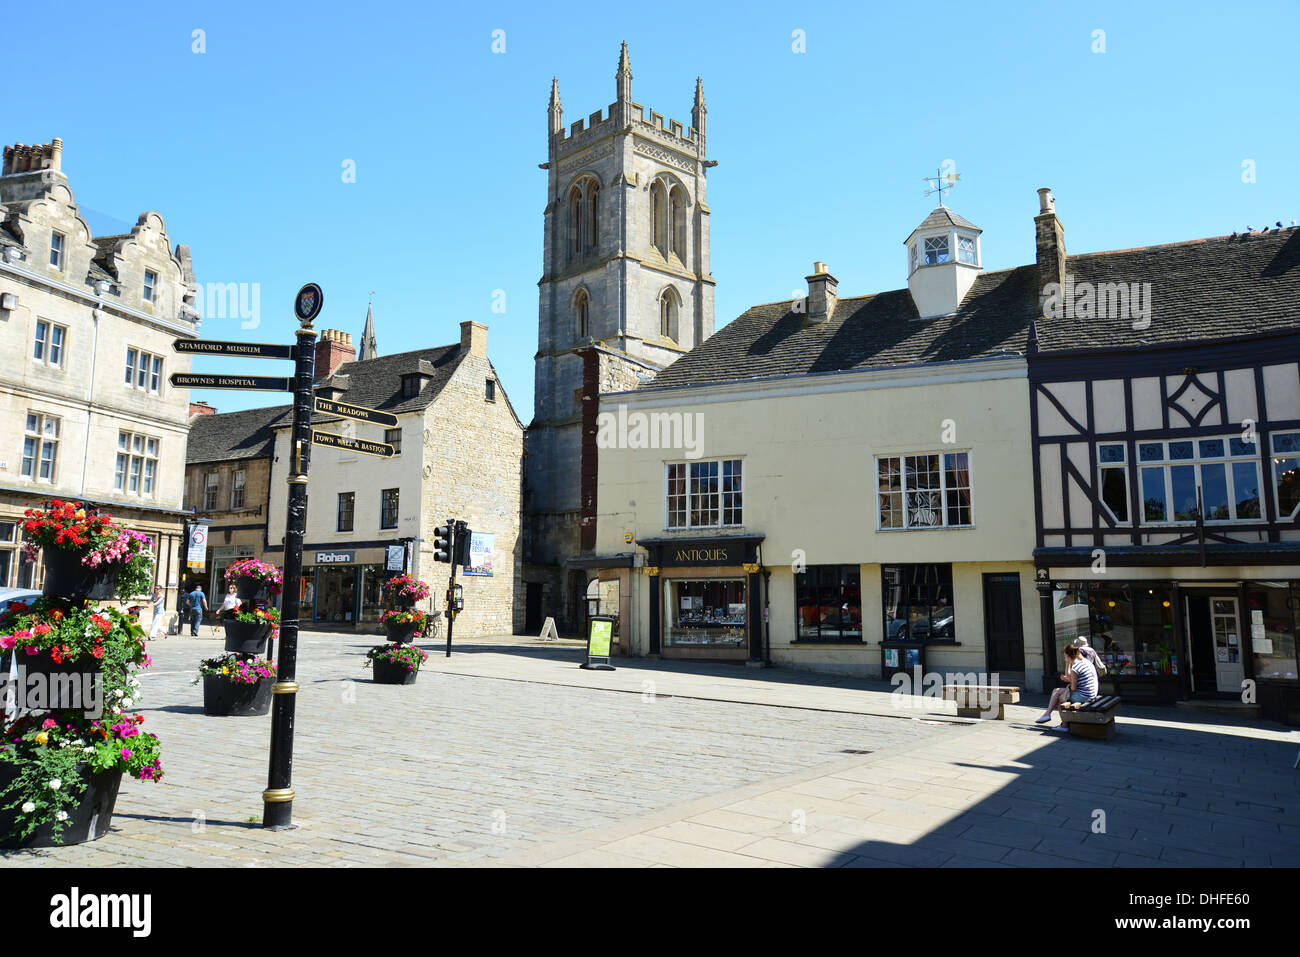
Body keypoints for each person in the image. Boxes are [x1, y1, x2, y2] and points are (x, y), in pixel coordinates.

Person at [1036, 644, 1099, 729]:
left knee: (1060, 697)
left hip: (1085, 696)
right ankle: (1048, 714)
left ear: (1069, 656)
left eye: (1065, 656)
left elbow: (1073, 688)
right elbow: (1072, 677)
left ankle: (1063, 725)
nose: (1065, 658)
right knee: (1056, 690)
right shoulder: (1085, 662)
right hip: (1091, 693)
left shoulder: (1076, 667)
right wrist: (1068, 666)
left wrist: (1068, 684)